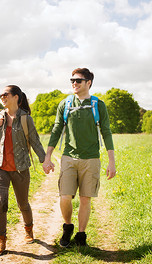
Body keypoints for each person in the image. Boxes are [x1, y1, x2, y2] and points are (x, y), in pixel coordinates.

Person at [42, 68, 116, 247]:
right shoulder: (65, 104)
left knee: (85, 199)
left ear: (88, 83)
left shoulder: (98, 105)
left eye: (78, 81)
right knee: (65, 197)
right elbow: (57, 129)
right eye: (72, 81)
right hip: (69, 157)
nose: (74, 83)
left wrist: (111, 161)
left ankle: (81, 235)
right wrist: (48, 156)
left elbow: (106, 132)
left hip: (91, 159)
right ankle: (68, 227)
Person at [0, 85, 46, 256]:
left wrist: (45, 160)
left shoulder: (26, 119)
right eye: (1, 95)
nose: (2, 97)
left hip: (20, 169)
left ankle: (28, 230)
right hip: (0, 168)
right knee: (0, 204)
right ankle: (1, 241)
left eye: (5, 94)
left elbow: (35, 141)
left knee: (23, 204)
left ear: (16, 97)